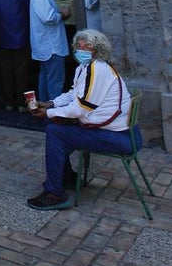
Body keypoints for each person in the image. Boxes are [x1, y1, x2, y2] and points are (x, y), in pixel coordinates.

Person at [27, 29, 136, 210]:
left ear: (97, 49)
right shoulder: (84, 68)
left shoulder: (97, 69)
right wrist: (50, 104)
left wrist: (48, 113)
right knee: (54, 124)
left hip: (118, 137)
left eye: (88, 45)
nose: (82, 48)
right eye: (79, 45)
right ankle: (65, 176)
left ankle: (54, 193)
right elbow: (73, 95)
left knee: (55, 131)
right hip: (108, 129)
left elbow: (80, 108)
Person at [30, 0, 68, 103]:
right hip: (51, 45)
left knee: (47, 77)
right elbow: (48, 17)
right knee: (55, 81)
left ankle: (45, 109)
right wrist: (62, 14)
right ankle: (54, 111)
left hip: (47, 45)